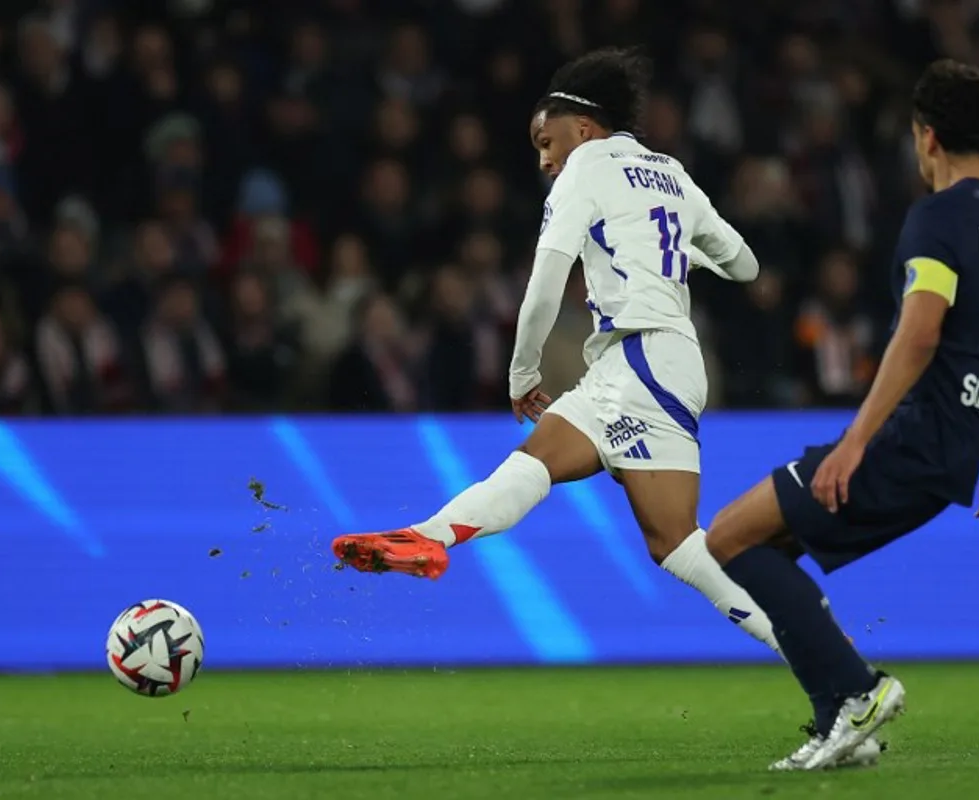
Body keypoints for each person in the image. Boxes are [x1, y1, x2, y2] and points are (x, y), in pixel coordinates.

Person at [330, 48, 880, 767]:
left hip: (641, 357)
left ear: (582, 128)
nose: (543, 160)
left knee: (603, 495)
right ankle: (838, 685)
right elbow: (745, 262)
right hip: (661, 361)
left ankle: (433, 534)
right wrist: (680, 252)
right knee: (677, 544)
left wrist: (523, 368)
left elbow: (545, 279)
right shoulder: (673, 174)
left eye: (545, 141)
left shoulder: (588, 168)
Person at [704, 59, 979, 771]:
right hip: (957, 447)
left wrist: (854, 442)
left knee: (728, 541)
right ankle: (840, 720)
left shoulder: (938, 218)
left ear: (926, 138)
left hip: (908, 435)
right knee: (770, 549)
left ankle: (857, 692)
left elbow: (920, 331)